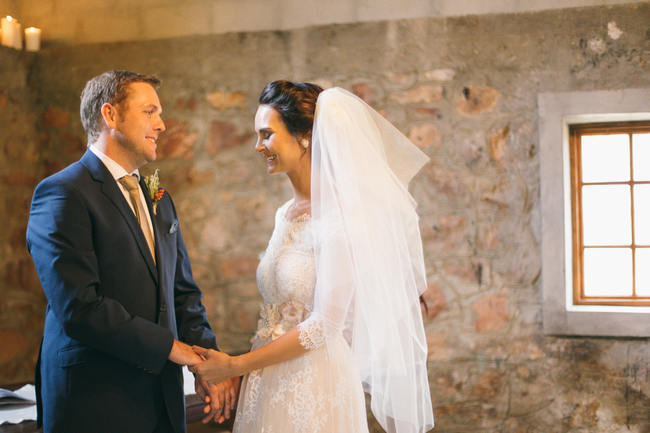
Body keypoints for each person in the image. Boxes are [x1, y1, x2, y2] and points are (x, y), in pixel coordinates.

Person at [191, 80, 435, 433]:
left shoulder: (341, 215)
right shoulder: (284, 213)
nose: (258, 146)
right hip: (267, 380)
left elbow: (324, 325)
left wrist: (235, 366)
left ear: (304, 136)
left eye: (267, 135)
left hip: (316, 381)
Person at [26, 70, 239, 433]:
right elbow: (80, 307)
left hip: (161, 396)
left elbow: (182, 291)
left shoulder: (160, 197)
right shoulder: (63, 193)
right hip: (95, 398)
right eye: (149, 112)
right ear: (110, 116)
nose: (162, 124)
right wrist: (174, 348)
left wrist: (208, 360)